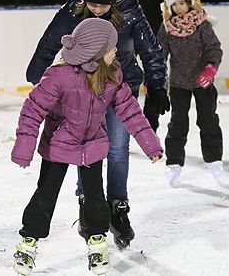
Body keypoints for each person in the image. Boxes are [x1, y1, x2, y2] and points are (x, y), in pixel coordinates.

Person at [26, 0, 169, 248]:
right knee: (84, 145)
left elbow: (148, 47)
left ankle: (117, 206)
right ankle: (88, 202)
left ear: (113, 2)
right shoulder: (74, 8)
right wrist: (38, 70)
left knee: (117, 150)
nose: (97, 9)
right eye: (92, 4)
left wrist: (155, 86)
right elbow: (52, 38)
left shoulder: (129, 9)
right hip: (81, 90)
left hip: (119, 84)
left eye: (103, 6)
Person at [11, 18, 163, 276]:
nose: (116, 51)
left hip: (92, 144)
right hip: (58, 144)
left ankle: (96, 242)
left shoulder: (112, 75)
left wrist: (150, 145)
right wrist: (24, 148)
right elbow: (32, 110)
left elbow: (131, 112)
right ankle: (28, 243)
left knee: (95, 197)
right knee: (46, 196)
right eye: (111, 47)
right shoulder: (59, 76)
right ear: (96, 50)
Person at [157, 0, 223, 186]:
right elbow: (160, 53)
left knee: (208, 119)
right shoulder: (167, 27)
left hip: (203, 82)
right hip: (178, 83)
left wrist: (210, 69)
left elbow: (214, 49)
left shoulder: (202, 24)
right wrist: (158, 76)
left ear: (189, 3)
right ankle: (174, 163)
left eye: (182, 3)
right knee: (178, 123)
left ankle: (214, 160)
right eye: (174, 4)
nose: (178, 8)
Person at [112, 0, 172, 133]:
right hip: (124, 35)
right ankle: (125, 120)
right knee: (125, 78)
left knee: (155, 77)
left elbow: (167, 4)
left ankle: (149, 125)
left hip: (154, 34)